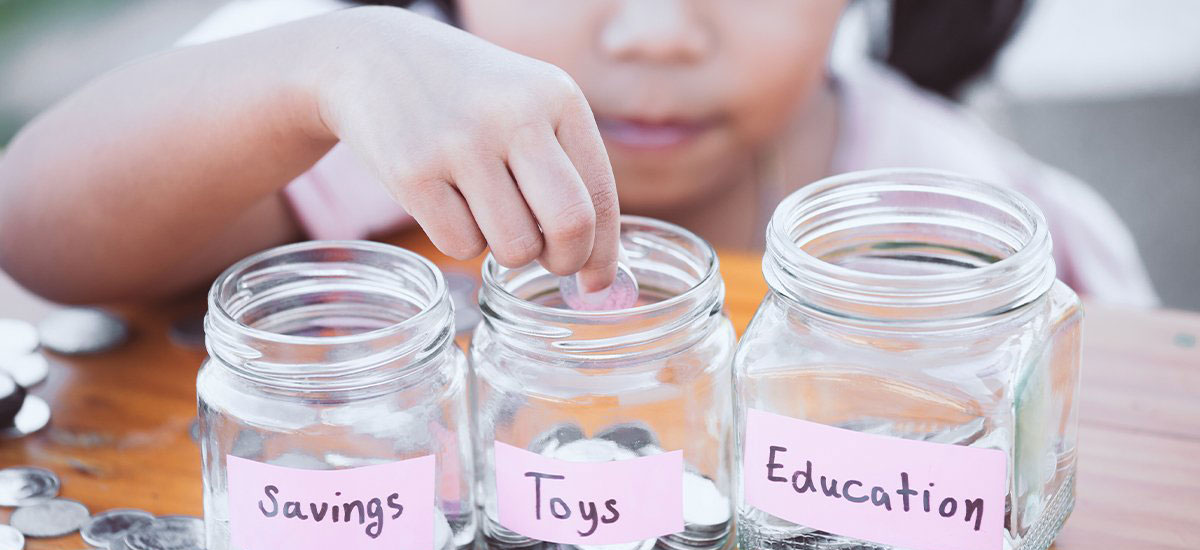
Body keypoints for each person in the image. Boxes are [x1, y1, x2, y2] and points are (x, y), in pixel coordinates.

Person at [0, 0, 1157, 307]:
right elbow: (32, 230)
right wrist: (322, 71)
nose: (656, 29)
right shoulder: (357, 133)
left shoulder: (976, 223)